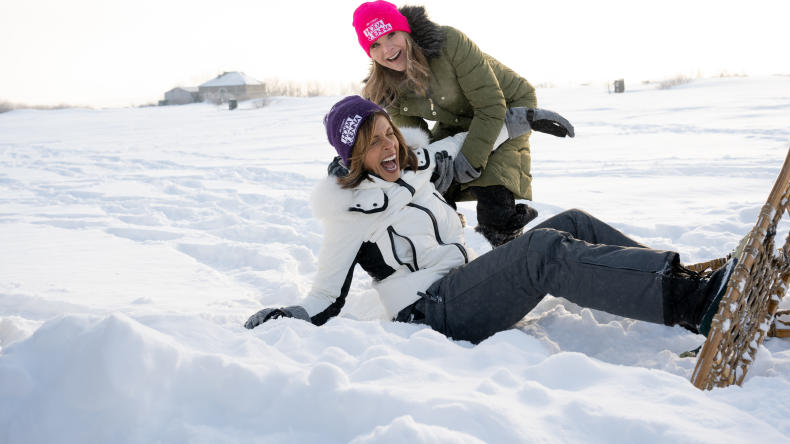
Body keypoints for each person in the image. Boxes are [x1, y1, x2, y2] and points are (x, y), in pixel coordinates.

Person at [245, 96, 735, 345]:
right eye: (371, 144)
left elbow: (463, 145)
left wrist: (525, 117)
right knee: (539, 253)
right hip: (431, 314)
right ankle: (693, 304)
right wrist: (287, 317)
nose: (388, 147)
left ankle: (685, 282)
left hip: (461, 286)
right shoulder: (348, 214)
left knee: (574, 222)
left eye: (387, 133)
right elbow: (325, 298)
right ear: (353, 158)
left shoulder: (416, 167)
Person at [351, 0, 574, 248]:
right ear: (369, 53)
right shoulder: (386, 88)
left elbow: (491, 106)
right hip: (454, 119)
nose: (388, 49)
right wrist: (429, 176)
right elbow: (416, 142)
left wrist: (469, 161)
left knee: (492, 195)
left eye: (391, 34)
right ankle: (450, 248)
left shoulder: (449, 43)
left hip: (508, 107)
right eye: (375, 44)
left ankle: (513, 251)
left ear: (405, 30)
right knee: (433, 182)